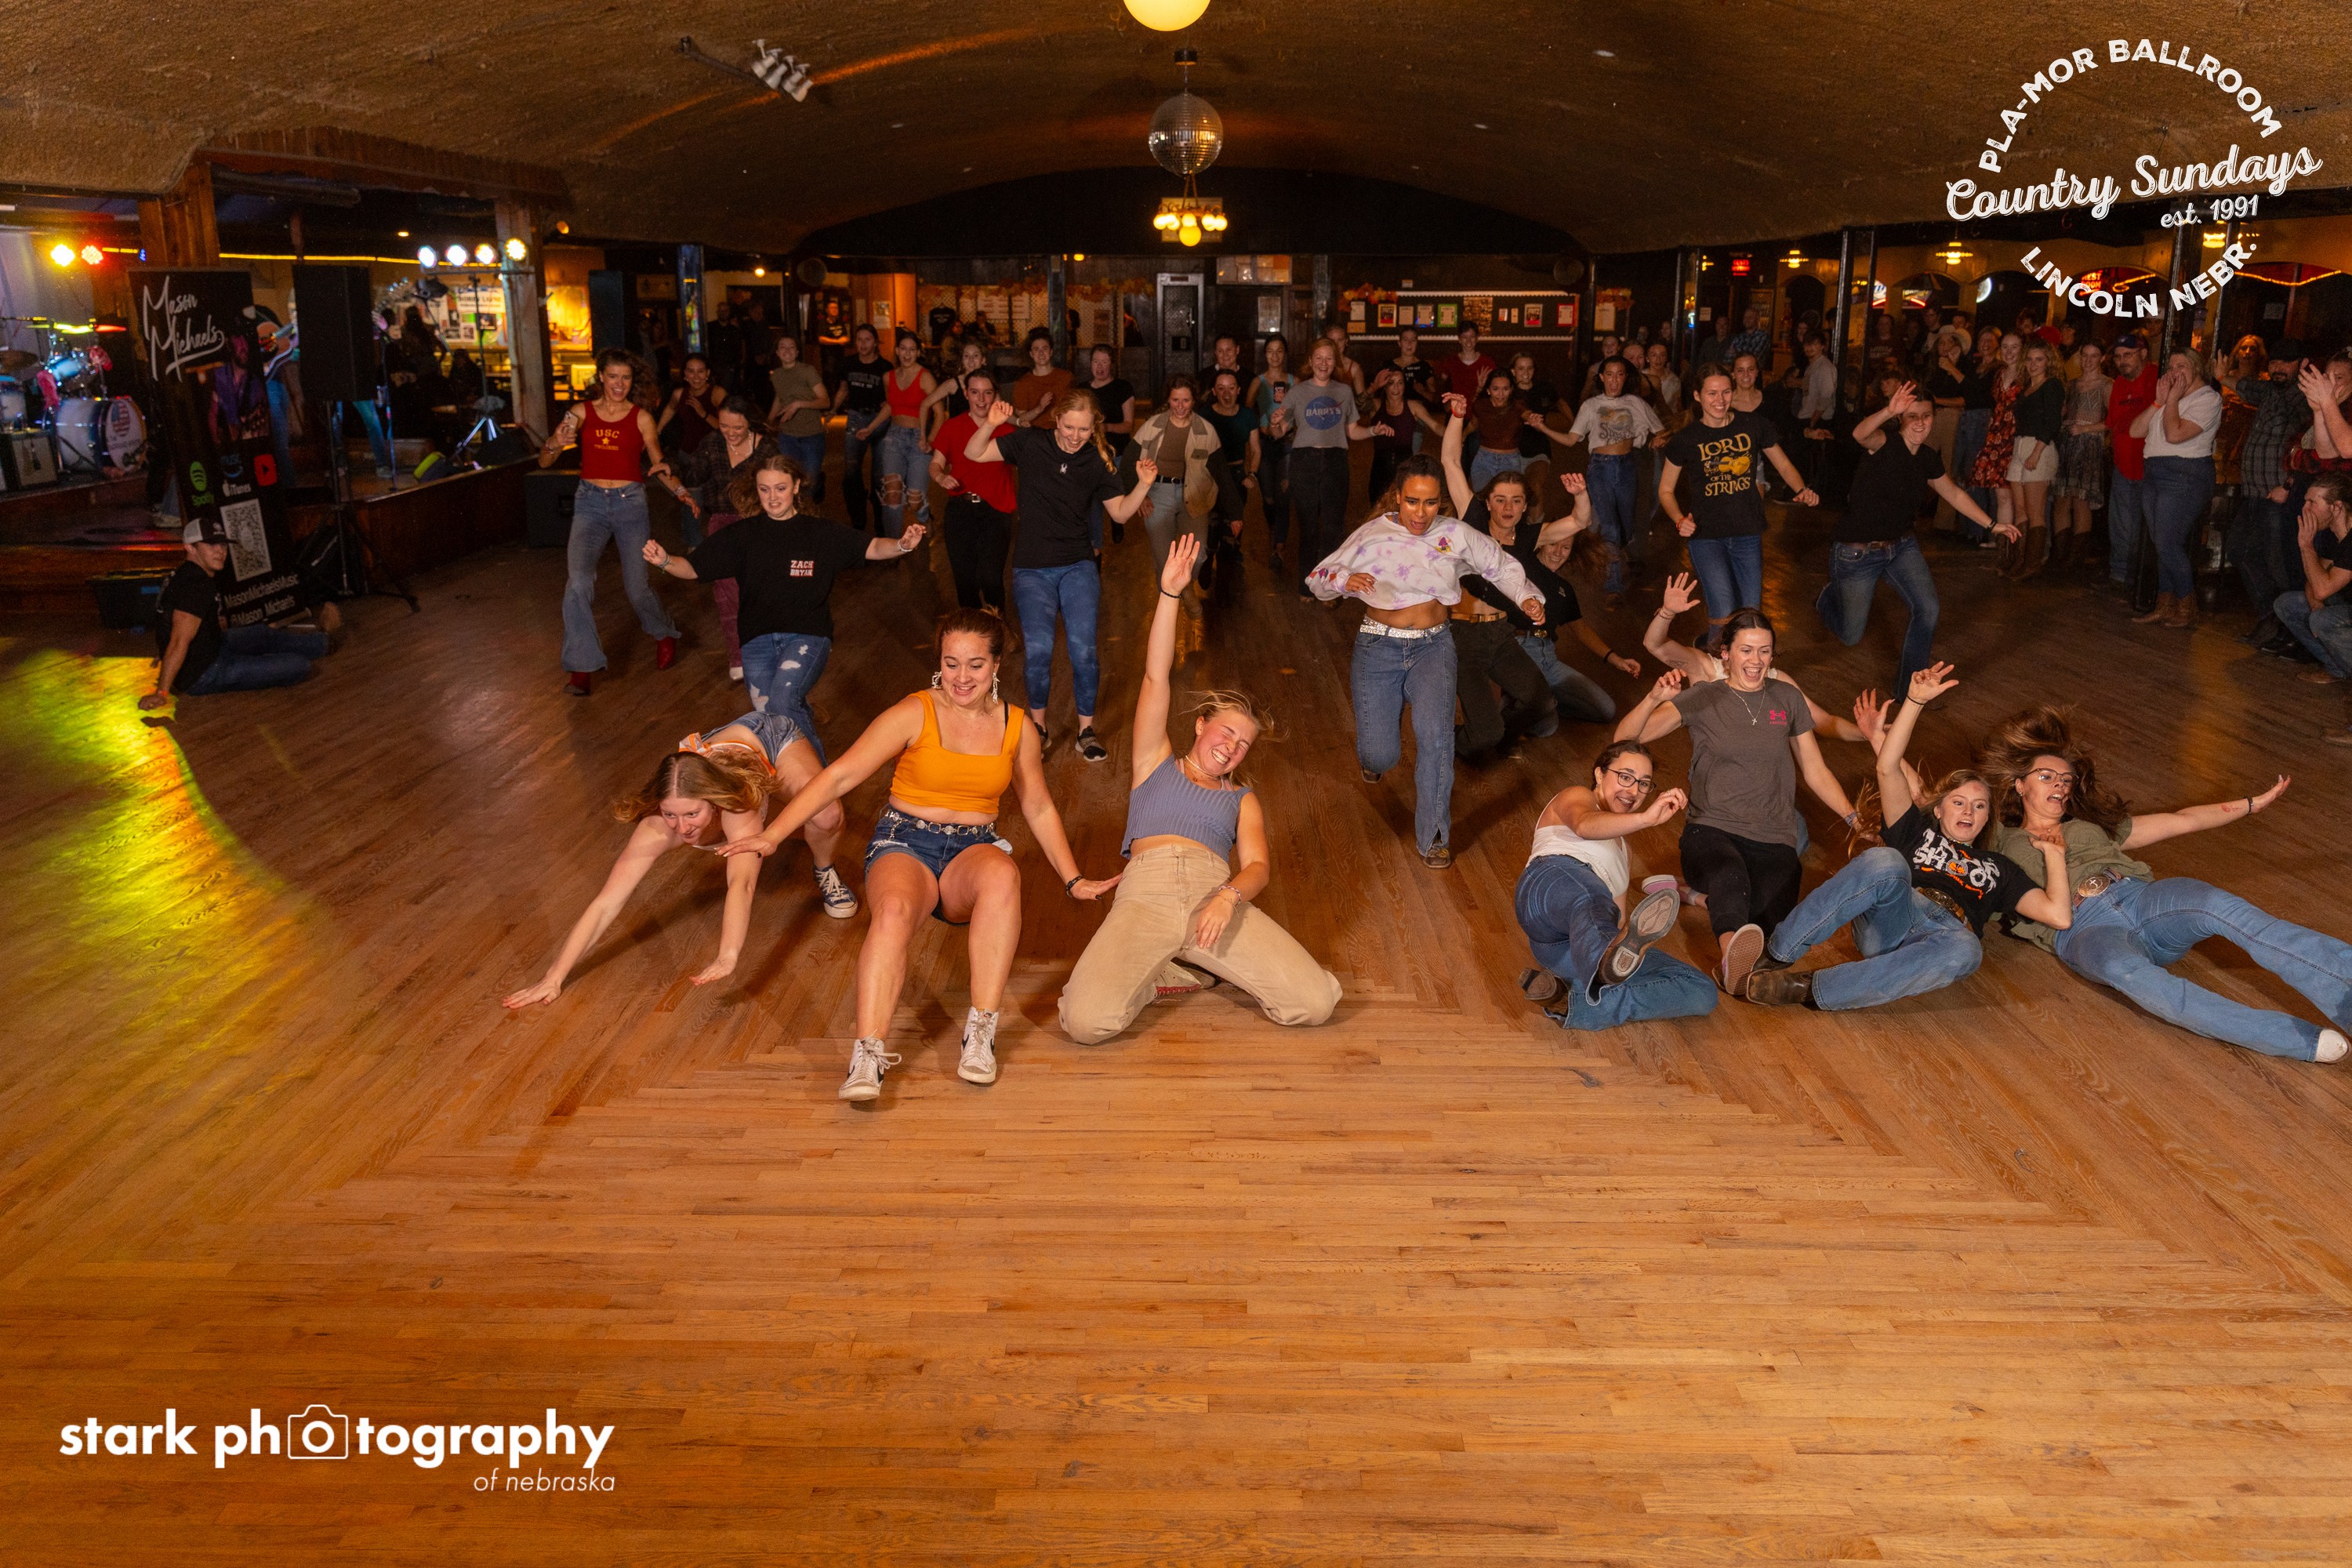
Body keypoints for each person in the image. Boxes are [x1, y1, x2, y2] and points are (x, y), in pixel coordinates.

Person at [720, 609, 1120, 1100]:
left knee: (1004, 876)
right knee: (892, 911)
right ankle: (867, 1056)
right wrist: (774, 834)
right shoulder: (915, 712)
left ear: (997, 665)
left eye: (975, 664)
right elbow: (840, 775)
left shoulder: (1017, 727)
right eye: (951, 664)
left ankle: (980, 1033)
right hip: (905, 841)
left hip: (973, 847)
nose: (961, 677)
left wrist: (1073, 879)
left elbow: (1037, 806)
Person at [1058, 535, 1342, 1044]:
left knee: (1315, 1002)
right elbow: (1155, 677)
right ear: (1200, 724)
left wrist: (1227, 899)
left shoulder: (1241, 799)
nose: (1232, 747)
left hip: (1213, 899)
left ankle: (1186, 962)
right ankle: (1162, 973)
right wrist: (1169, 594)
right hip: (1145, 897)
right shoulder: (1154, 761)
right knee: (1086, 1022)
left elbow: (1257, 867)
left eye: (1243, 744)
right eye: (1226, 732)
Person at [1982, 706, 2349, 1063]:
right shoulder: (1999, 842)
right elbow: (1950, 814)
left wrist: (2252, 804)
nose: (2060, 785)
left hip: (2140, 897)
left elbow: (2183, 820)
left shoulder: (2091, 826)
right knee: (2126, 972)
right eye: (2046, 777)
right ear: (2019, 785)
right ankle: (2296, 1040)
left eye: (2065, 780)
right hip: (2083, 930)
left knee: (2218, 905)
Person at [1740, 664, 2071, 1007]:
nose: (1968, 812)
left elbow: (2059, 915)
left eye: (1979, 806)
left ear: (1988, 817)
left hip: (1946, 935)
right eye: (1958, 802)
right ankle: (1775, 956)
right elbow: (1888, 767)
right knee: (1885, 858)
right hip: (1894, 917)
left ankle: (1806, 988)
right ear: (1938, 809)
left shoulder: (2000, 869)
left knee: (1968, 950)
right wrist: (1914, 702)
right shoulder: (1915, 830)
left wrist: (2055, 854)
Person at [499, 708, 856, 1011]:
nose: (682, 828)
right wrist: (554, 976)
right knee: (780, 834)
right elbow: (606, 903)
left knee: (826, 817)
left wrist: (728, 954)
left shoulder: (736, 808)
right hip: (720, 757)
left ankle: (824, 868)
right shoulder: (656, 829)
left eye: (692, 815)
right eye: (671, 814)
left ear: (713, 804)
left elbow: (742, 883)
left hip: (770, 738)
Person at [1307, 454, 1543, 869]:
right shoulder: (1373, 535)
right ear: (1398, 497)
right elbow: (1317, 579)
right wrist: (1344, 580)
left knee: (1437, 739)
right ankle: (1375, 756)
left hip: (1433, 647)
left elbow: (1500, 564)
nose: (1421, 513)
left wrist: (1525, 596)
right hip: (1378, 648)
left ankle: (1434, 836)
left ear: (1440, 502)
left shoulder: (1454, 534)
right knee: (1381, 755)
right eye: (1413, 502)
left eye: (1430, 502)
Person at [1612, 611, 1860, 994]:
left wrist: (1853, 818)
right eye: (1746, 650)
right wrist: (1652, 699)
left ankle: (1693, 895)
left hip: (1774, 835)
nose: (1756, 660)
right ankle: (1731, 960)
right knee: (1730, 877)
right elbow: (1625, 741)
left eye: (1765, 651)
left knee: (1766, 924)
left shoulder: (1787, 698)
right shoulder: (1704, 697)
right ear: (1725, 653)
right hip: (1713, 829)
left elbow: (1815, 770)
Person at [642, 454, 927, 750]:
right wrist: (664, 561)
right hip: (756, 640)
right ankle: (798, 740)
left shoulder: (819, 533)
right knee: (771, 719)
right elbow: (692, 569)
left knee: (782, 700)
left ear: (796, 486)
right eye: (764, 489)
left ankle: (817, 777)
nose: (772, 497)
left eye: (780, 488)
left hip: (807, 636)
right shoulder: (741, 535)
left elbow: (873, 548)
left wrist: (902, 545)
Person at [962, 390, 1159, 762]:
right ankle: (1039, 728)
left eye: (1084, 429)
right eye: (1069, 427)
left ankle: (1086, 731)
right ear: (1056, 420)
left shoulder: (1098, 459)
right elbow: (974, 453)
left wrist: (1144, 484)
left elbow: (1120, 513)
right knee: (1038, 651)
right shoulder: (1030, 443)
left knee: (1084, 652)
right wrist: (989, 424)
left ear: (1093, 427)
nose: (1075, 436)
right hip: (1032, 567)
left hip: (1077, 565)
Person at [1439, 403, 1633, 736]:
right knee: (1532, 725)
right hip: (1473, 633)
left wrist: (1581, 494)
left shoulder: (1530, 536)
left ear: (1526, 505)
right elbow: (1451, 461)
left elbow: (1579, 522)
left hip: (1515, 640)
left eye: (1516, 500)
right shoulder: (1472, 518)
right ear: (1488, 502)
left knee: (1588, 712)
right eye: (1500, 499)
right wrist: (1458, 416)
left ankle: (1525, 704)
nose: (1508, 507)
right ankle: (1508, 710)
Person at [1513, 742, 1718, 1029]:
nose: (1633, 791)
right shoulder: (1578, 796)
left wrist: (1627, 945)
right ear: (1600, 774)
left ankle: (1571, 1003)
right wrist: (1646, 819)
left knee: (1700, 990)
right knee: (1590, 894)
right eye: (1625, 777)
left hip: (1566, 948)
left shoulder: (1625, 853)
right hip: (1548, 889)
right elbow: (1584, 825)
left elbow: (1616, 921)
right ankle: (1602, 966)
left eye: (1643, 783)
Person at [1820, 383, 2009, 695]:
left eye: (1927, 416)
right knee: (1851, 636)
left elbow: (1954, 494)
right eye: (1912, 416)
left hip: (1900, 547)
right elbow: (1860, 434)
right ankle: (1829, 598)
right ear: (1901, 418)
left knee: (1928, 609)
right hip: (1858, 553)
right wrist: (1888, 411)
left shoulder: (1928, 458)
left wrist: (1993, 525)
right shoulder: (1883, 443)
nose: (1920, 423)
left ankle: (1910, 689)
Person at [540, 349, 688, 696]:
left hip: (629, 505)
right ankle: (581, 665)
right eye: (613, 377)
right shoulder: (580, 413)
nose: (619, 384)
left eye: (626, 378)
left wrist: (681, 491)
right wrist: (555, 442)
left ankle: (664, 632)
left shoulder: (642, 418)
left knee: (637, 587)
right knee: (578, 584)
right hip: (589, 503)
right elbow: (545, 461)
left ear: (632, 381)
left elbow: (658, 462)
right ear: (601, 378)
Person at [1658, 367, 1819, 644]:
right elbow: (1665, 490)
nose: (1720, 400)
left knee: (1750, 614)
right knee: (1723, 611)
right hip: (1707, 537)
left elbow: (1782, 464)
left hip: (1747, 534)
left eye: (1726, 392)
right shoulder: (1686, 439)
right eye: (1712, 393)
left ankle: (1723, 654)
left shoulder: (1753, 425)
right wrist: (1679, 519)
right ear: (1697, 396)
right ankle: (1715, 660)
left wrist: (1801, 489)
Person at [140, 516, 339, 708]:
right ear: (190, 548)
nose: (220, 551)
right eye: (211, 545)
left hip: (211, 648)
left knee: (262, 634)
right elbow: (179, 641)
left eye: (223, 545)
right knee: (298, 665)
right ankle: (318, 645)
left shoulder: (189, 574)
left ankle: (323, 642)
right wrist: (161, 693)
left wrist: (165, 651)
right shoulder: (195, 585)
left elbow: (171, 624)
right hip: (205, 673)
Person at [673, 397, 779, 680]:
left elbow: (780, 488)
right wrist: (672, 473)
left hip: (757, 523)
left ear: (749, 424)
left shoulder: (766, 449)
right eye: (724, 426)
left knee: (759, 588)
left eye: (737, 428)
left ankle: (769, 647)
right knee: (725, 590)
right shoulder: (712, 444)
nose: (730, 433)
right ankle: (738, 656)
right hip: (721, 522)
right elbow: (694, 475)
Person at [1272, 339, 1383, 596]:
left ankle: (1331, 586)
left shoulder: (1343, 392)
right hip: (1304, 461)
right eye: (1319, 358)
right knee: (1309, 527)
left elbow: (1352, 431)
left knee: (1333, 527)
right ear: (1310, 361)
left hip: (1335, 461)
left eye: (1329, 358)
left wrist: (1373, 431)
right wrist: (1276, 423)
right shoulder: (1297, 392)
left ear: (1336, 362)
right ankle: (1306, 586)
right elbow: (1279, 432)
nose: (1324, 363)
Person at [1563, 356, 1668, 603]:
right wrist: (1543, 428)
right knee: (1610, 528)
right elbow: (1571, 439)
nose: (1614, 380)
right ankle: (1614, 586)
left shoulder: (1636, 403)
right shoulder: (1591, 405)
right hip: (1600, 468)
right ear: (1601, 377)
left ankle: (1606, 551)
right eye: (1609, 374)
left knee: (1625, 528)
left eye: (1619, 374)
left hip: (1627, 466)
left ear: (1625, 377)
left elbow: (1662, 431)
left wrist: (1661, 439)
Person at [2131, 347, 2223, 629]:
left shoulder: (2208, 398)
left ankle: (2187, 606)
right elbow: (2135, 431)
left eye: (2182, 366)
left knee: (2168, 543)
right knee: (2163, 543)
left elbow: (2174, 434)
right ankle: (2165, 604)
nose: (2175, 372)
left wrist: (2171, 400)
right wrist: (2158, 402)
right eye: (2171, 367)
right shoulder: (2168, 399)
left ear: (2197, 368)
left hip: (2184, 475)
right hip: (2155, 472)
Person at [2232, 340, 2312, 644]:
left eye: (2286, 362)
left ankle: (2292, 632)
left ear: (2303, 364)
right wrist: (2221, 375)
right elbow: (2244, 387)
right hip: (2256, 491)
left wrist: (2290, 485)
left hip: (2279, 494)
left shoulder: (2303, 397)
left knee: (2280, 564)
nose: (2278, 367)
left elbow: (2310, 445)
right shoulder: (2271, 390)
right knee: (2240, 551)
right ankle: (2272, 619)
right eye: (2274, 362)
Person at [928, 367, 1017, 613]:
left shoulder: (1007, 431)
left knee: (991, 577)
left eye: (987, 393)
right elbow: (935, 463)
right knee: (965, 580)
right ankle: (972, 629)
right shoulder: (952, 427)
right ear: (966, 394)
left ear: (995, 395)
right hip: (960, 510)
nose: (981, 399)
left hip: (996, 511)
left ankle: (996, 625)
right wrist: (940, 476)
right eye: (975, 392)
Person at [1124, 373, 1226, 586]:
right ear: (1168, 400)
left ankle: (1185, 588)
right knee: (1164, 560)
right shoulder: (1152, 426)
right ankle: (1178, 595)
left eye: (1186, 400)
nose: (1180, 406)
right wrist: (1139, 496)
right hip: (1158, 493)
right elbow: (1127, 463)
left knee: (1198, 554)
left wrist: (1235, 514)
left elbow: (1221, 471)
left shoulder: (1206, 430)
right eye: (1175, 400)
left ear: (1194, 401)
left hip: (1194, 494)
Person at [2273, 475, 2352, 725]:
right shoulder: (2333, 534)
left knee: (2324, 620)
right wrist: (2316, 606)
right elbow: (2315, 579)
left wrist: (2306, 546)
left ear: (2336, 507)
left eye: (2312, 503)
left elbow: (2323, 587)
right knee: (2288, 605)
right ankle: (2338, 669)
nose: (2305, 509)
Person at [854, 331, 935, 540]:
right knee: (892, 494)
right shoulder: (888, 377)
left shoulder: (925, 377)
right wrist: (871, 428)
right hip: (894, 438)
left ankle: (924, 516)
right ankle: (892, 545)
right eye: (903, 349)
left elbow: (939, 413)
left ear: (918, 353)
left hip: (919, 438)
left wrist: (930, 439)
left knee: (915, 500)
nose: (907, 354)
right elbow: (891, 406)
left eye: (912, 350)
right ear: (897, 351)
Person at [2002, 340, 2064, 578]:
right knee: (2020, 510)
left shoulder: (2052, 386)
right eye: (2029, 359)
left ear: (2049, 361)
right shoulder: (2027, 387)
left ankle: (2033, 563)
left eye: (2039, 359)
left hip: (2039, 446)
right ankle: (2019, 560)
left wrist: (2037, 452)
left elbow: (2052, 422)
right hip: (2021, 444)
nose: (2033, 364)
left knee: (2035, 511)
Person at [2103, 332, 2160, 591]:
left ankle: (2140, 578)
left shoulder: (2157, 377)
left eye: (2128, 355)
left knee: (2145, 524)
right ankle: (2120, 575)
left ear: (2143, 354)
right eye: (2118, 357)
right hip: (2123, 464)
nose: (2122, 361)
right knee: (2121, 523)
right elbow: (2113, 423)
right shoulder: (2119, 383)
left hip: (2150, 464)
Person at [2051, 339, 2111, 570]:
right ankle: (2061, 554)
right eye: (2085, 355)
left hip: (2089, 445)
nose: (2088, 361)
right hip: (2067, 443)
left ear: (2102, 358)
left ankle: (2075, 558)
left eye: (2094, 356)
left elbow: (2114, 421)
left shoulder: (2107, 385)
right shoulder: (2071, 384)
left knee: (2081, 500)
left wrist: (2086, 429)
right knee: (2061, 498)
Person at [829, 324, 890, 532]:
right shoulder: (848, 363)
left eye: (867, 340)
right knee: (851, 471)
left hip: (879, 419)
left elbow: (890, 400)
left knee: (879, 475)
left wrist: (879, 420)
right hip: (856, 416)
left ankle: (880, 519)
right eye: (859, 340)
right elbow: (843, 389)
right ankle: (858, 516)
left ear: (875, 343)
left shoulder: (885, 367)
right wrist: (833, 409)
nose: (863, 344)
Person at [1245, 334, 1298, 572]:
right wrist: (1259, 428)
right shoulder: (1258, 382)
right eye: (1270, 351)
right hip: (1265, 444)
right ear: (1265, 354)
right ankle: (1273, 529)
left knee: (1284, 494)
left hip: (1288, 444)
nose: (1275, 356)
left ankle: (1279, 547)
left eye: (1279, 351)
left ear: (1285, 354)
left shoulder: (1295, 381)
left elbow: (1301, 410)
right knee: (1268, 497)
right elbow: (1247, 412)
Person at [765, 335, 828, 502]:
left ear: (797, 352)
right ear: (777, 353)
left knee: (809, 482)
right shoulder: (776, 375)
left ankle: (818, 485)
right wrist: (769, 421)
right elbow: (780, 398)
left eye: (791, 347)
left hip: (811, 435)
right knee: (790, 480)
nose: (787, 351)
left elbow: (825, 401)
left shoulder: (807, 371)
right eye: (783, 347)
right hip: (787, 435)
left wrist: (799, 404)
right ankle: (798, 513)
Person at [1924, 326, 1972, 533]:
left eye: (1950, 342)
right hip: (1932, 416)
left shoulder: (1964, 367)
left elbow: (1967, 398)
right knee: (1920, 461)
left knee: (1948, 468)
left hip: (1952, 417)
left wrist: (1939, 400)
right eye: (1941, 343)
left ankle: (1943, 523)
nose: (1945, 347)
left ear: (1958, 346)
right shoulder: (1933, 367)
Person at [656, 354, 722, 466]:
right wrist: (657, 431)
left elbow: (727, 427)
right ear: (685, 374)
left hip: (714, 455)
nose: (696, 377)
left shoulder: (717, 394)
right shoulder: (679, 394)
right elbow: (671, 408)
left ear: (708, 373)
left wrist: (704, 414)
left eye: (701, 371)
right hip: (687, 453)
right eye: (691, 371)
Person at [1011, 328, 1073, 428]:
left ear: (1051, 352)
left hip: (1062, 431)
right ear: (1031, 354)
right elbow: (1021, 419)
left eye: (1045, 349)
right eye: (1036, 349)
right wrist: (1039, 409)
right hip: (1035, 432)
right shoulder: (1023, 383)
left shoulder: (1066, 377)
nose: (1041, 353)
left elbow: (1074, 407)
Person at [1080, 344, 1135, 438]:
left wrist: (1107, 427)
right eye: (1095, 362)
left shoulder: (1123, 388)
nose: (1099, 366)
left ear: (1112, 365)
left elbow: (1129, 426)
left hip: (1115, 445)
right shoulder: (1081, 389)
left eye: (1104, 362)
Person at [1440, 322, 1496, 404]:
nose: (1468, 341)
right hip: (1456, 407)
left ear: (1477, 338)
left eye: (1472, 337)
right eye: (1464, 337)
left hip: (1480, 407)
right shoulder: (1451, 362)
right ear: (1459, 339)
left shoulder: (1487, 362)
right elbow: (1441, 385)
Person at [1726, 304, 1770, 369]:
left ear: (1757, 319)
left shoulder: (1763, 337)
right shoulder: (1739, 337)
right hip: (1737, 370)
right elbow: (1728, 357)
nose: (1747, 320)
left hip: (1754, 372)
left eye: (1750, 317)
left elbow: (1753, 358)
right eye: (1745, 317)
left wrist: (1736, 353)